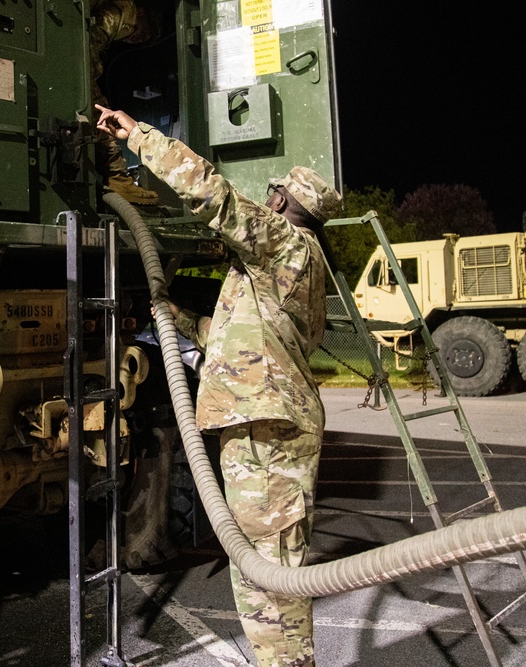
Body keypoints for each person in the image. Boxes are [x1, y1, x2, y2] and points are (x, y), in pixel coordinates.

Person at [95, 104, 342, 667]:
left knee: (269, 567)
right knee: (261, 562)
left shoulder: (283, 246)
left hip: (266, 430)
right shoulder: (291, 266)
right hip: (266, 421)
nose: (267, 198)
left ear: (280, 203)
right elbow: (241, 342)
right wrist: (173, 318)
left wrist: (138, 136)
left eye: (273, 195)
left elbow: (214, 194)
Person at [89, 0, 161, 205]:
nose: (137, 39)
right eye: (145, 33)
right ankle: (117, 178)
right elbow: (90, 41)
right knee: (99, 109)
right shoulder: (125, 12)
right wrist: (90, 76)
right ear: (142, 14)